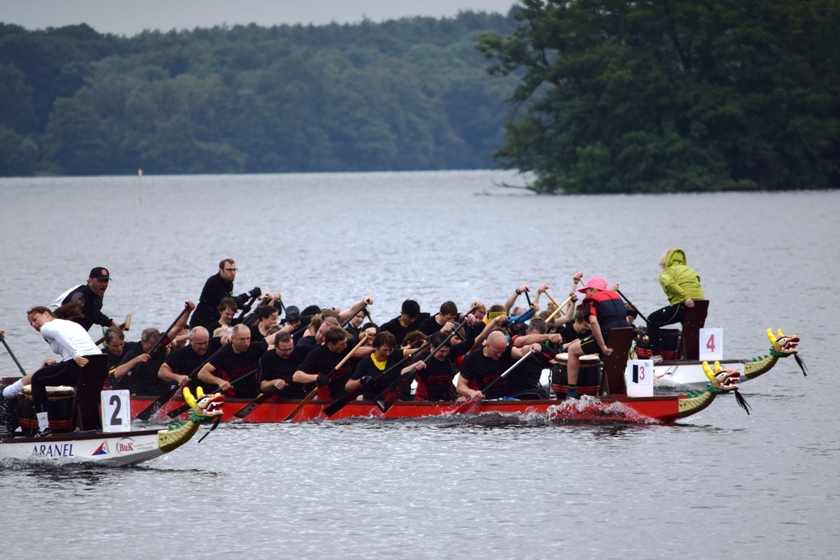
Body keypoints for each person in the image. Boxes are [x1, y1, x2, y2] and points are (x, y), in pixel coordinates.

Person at [2, 305, 101, 437]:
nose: (34, 325)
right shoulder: (70, 324)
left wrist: (76, 356)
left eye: (35, 319)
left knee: (37, 380)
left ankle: (43, 428)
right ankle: (92, 425)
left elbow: (58, 335)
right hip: (99, 364)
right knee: (80, 386)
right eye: (31, 324)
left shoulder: (47, 327)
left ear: (46, 314)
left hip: (78, 363)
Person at [563, 277, 631, 399]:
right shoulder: (616, 297)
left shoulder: (592, 301)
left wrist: (603, 347)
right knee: (616, 359)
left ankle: (572, 392)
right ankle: (617, 390)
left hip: (608, 335)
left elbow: (593, 322)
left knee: (572, 350)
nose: (586, 295)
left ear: (593, 290)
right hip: (625, 334)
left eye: (587, 292)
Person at [111, 302, 194, 395]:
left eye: (156, 346)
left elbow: (177, 328)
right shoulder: (135, 351)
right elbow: (117, 373)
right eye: (152, 347)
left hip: (162, 387)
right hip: (143, 391)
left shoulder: (161, 342)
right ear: (143, 342)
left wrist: (188, 311)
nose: (155, 350)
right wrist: (136, 360)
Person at [648, 248, 705, 362]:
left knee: (651, 321)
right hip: (700, 307)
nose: (662, 267)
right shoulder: (690, 270)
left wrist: (685, 297)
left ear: (666, 263)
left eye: (661, 265)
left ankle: (656, 356)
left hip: (683, 304)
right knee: (689, 328)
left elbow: (669, 283)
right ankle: (691, 356)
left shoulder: (666, 273)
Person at [293, 325, 372, 400]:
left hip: (347, 394)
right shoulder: (317, 354)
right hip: (329, 399)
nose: (345, 346)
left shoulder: (345, 345)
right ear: (330, 344)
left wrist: (366, 333)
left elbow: (359, 338)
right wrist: (317, 378)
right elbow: (296, 376)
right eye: (341, 344)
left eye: (345, 342)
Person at [456, 331, 541, 401]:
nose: (500, 355)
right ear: (488, 345)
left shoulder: (506, 351)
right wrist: (471, 392)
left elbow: (521, 351)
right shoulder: (472, 359)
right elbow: (460, 386)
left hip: (505, 397)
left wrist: (531, 347)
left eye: (502, 351)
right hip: (484, 399)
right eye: (497, 352)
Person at [346, 331, 425, 401]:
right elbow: (348, 387)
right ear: (376, 347)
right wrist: (362, 381)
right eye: (385, 350)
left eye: (390, 350)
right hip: (372, 400)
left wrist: (427, 344)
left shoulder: (395, 354)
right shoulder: (365, 363)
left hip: (394, 399)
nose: (388, 354)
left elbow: (418, 352)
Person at [197, 323, 268, 398]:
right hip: (232, 398)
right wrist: (219, 381)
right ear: (233, 338)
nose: (246, 343)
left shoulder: (254, 347)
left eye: (248, 338)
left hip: (254, 395)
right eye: (242, 339)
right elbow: (201, 374)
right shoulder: (224, 353)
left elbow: (274, 347)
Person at [190, 259, 261, 329]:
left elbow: (225, 301)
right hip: (201, 323)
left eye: (234, 270)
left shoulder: (229, 283)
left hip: (215, 320)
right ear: (221, 270)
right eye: (229, 270)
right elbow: (229, 301)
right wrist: (250, 294)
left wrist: (241, 306)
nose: (232, 273)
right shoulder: (214, 282)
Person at [59, 267, 117, 332]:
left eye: (106, 281)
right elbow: (68, 321)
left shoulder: (98, 295)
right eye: (100, 280)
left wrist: (110, 323)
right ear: (89, 280)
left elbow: (94, 313)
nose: (104, 284)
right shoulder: (79, 297)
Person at [258, 331, 311, 399]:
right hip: (277, 399)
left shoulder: (298, 351)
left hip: (299, 395)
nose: (288, 353)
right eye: (284, 350)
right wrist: (274, 382)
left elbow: (319, 349)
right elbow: (262, 387)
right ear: (275, 347)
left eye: (290, 349)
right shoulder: (267, 358)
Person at [158, 326, 212, 391]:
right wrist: (178, 377)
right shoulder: (181, 353)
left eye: (205, 342)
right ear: (191, 341)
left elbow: (222, 339)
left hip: (214, 392)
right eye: (200, 344)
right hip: (190, 393)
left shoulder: (213, 345)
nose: (203, 346)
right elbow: (162, 372)